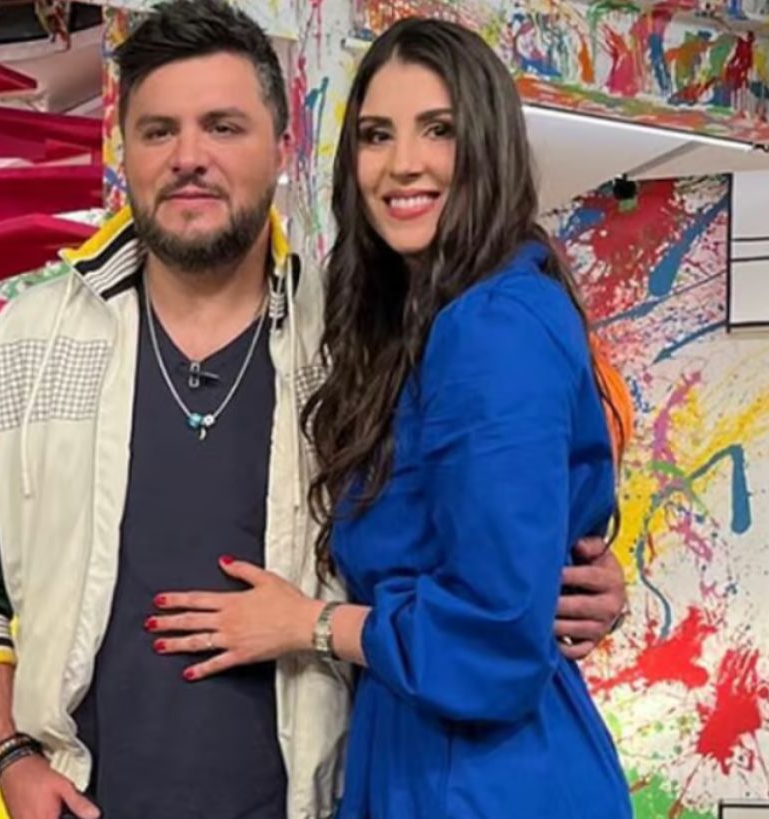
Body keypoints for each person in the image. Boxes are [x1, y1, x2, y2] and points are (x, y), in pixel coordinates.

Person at [0, 3, 629, 819]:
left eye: (223, 126)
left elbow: (488, 522)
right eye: (158, 130)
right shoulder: (25, 349)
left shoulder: (361, 342)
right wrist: (9, 752)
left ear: (282, 147)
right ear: (121, 149)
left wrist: (579, 576)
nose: (189, 157)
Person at [150, 15, 634, 819]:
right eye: (377, 135)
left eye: (438, 129)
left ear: (487, 145)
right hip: (423, 754)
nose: (403, 162)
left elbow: (493, 640)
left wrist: (309, 624)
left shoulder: (492, 327)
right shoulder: (419, 323)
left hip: (484, 779)